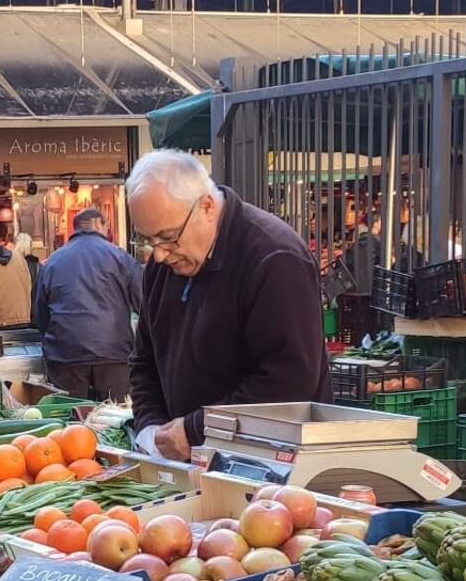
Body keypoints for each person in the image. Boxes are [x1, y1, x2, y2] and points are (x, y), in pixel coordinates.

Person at [127, 150, 332, 461]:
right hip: (190, 462)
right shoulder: (163, 265)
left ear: (206, 206)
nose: (158, 255)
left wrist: (196, 428)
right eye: (146, 240)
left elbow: (288, 382)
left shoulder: (274, 258)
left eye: (168, 238)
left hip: (271, 468)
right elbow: (145, 360)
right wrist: (150, 427)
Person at [33, 208, 141, 400]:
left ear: (75, 229)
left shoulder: (52, 261)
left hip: (65, 352)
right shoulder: (120, 257)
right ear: (100, 224)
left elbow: (39, 314)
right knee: (115, 418)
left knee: (69, 418)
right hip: (113, 351)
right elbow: (145, 305)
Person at [346, 211, 383, 294]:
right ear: (376, 223)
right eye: (380, 221)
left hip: (355, 290)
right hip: (372, 290)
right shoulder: (377, 243)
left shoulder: (357, 243)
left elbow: (347, 262)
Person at [14, 232, 41, 300]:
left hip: (19, 304)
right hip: (34, 304)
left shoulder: (12, 264)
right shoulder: (38, 266)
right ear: (30, 246)